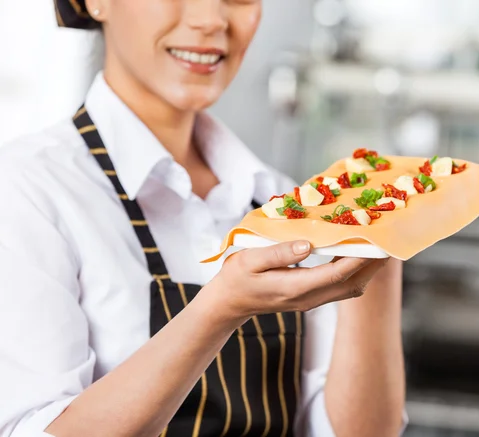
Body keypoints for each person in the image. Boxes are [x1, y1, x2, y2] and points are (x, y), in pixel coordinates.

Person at [0, 1, 407, 436]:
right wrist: (219, 309)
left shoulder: (283, 198)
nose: (211, 19)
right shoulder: (28, 189)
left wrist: (382, 256)